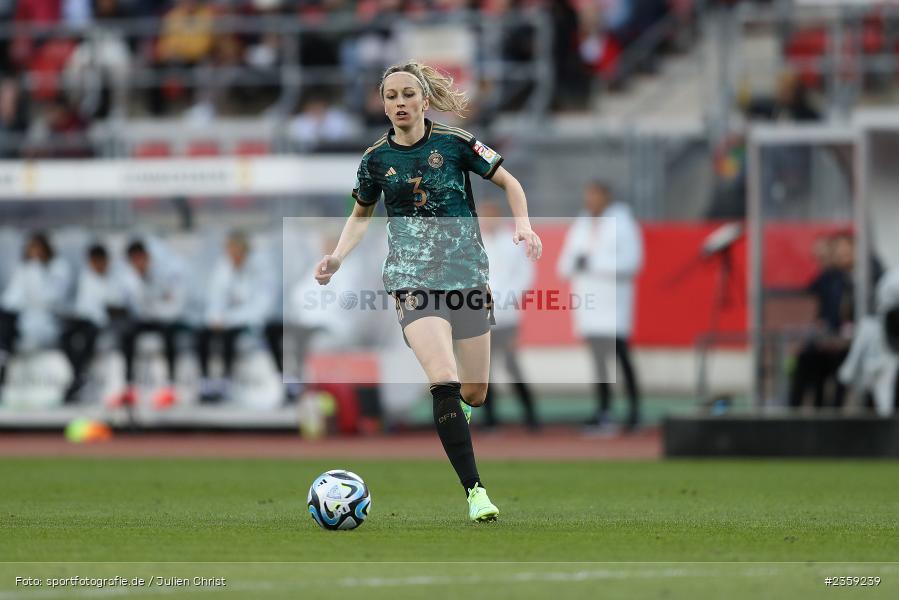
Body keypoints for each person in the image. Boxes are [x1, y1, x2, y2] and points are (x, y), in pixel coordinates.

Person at [314, 61, 542, 522]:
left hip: (467, 276)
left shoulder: (456, 144)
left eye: (407, 94)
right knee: (443, 378)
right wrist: (338, 256)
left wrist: (523, 225)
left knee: (474, 393)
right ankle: (475, 492)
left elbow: (509, 181)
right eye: (391, 96)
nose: (399, 103)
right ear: (383, 104)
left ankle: (458, 414)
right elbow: (361, 216)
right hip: (411, 280)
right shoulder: (375, 159)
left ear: (424, 100)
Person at [557, 181, 644, 434]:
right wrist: (580, 263)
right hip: (589, 307)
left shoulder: (623, 223)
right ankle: (604, 411)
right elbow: (564, 265)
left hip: (614, 305)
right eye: (588, 195)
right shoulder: (581, 225)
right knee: (598, 363)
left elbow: (632, 262)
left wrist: (592, 262)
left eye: (595, 195)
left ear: (607, 196)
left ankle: (634, 413)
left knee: (622, 360)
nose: (590, 200)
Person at [478, 200, 539, 430]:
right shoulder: (477, 243)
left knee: (512, 366)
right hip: (481, 316)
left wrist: (506, 298)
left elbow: (525, 275)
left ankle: (531, 416)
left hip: (507, 317)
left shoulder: (513, 242)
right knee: (484, 370)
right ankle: (490, 420)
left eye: (491, 215)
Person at [197, 230, 275, 403]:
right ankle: (205, 383)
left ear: (243, 250)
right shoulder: (223, 267)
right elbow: (215, 297)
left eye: (234, 250)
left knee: (228, 337)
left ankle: (226, 383)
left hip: (251, 323)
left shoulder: (260, 268)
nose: (231, 254)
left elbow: (260, 307)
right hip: (226, 321)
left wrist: (227, 320)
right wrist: (215, 317)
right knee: (202, 334)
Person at [117, 240, 188, 409]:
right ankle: (129, 386)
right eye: (133, 261)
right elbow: (127, 305)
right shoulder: (127, 278)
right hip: (142, 320)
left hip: (165, 319)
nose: (138, 264)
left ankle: (170, 387)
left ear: (147, 257)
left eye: (140, 259)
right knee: (126, 334)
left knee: (169, 335)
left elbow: (173, 303)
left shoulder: (163, 274)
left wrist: (159, 311)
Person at [0, 232, 71, 387]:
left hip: (46, 322)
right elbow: (12, 297)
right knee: (5, 318)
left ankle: (3, 354)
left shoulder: (57, 268)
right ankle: (3, 354)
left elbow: (51, 297)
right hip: (23, 318)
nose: (35, 252)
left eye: (38, 248)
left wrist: (37, 269)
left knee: (8, 324)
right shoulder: (24, 269)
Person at [60, 243, 128, 403]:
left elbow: (118, 305)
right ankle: (77, 373)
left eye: (99, 261)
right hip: (84, 319)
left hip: (104, 323)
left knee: (88, 338)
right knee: (65, 336)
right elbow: (81, 305)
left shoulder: (116, 278)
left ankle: (80, 376)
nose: (96, 265)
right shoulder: (85, 277)